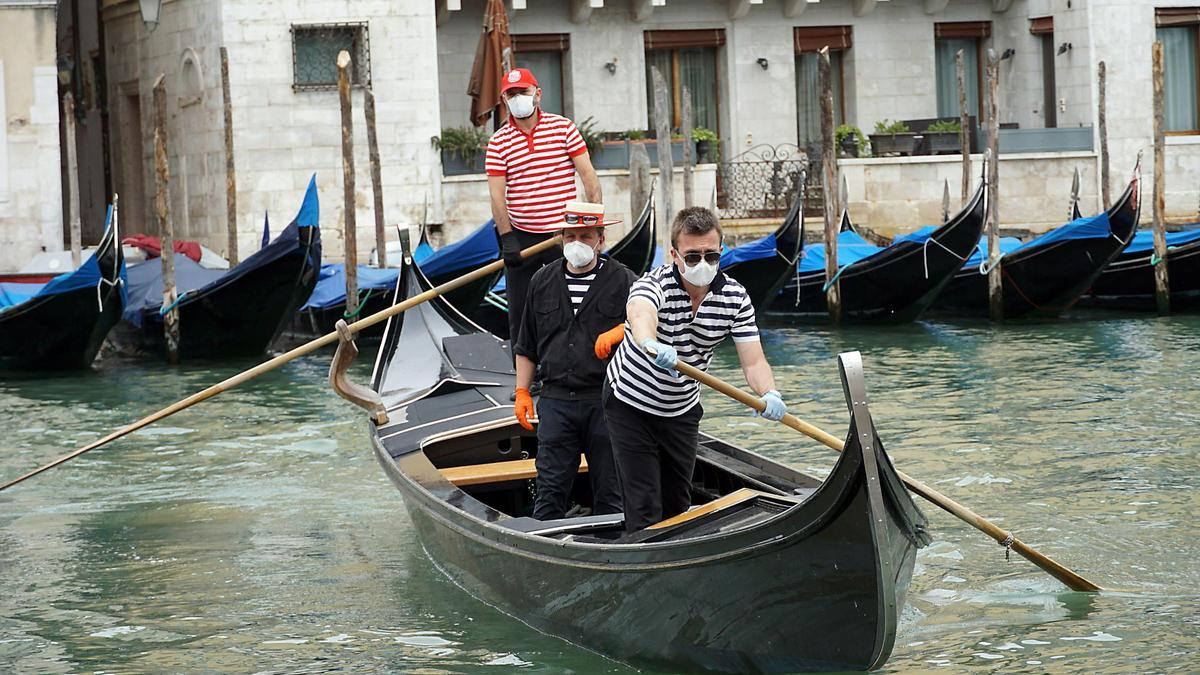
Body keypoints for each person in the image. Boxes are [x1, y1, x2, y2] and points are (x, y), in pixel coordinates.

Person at [601, 207, 788, 532]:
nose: (703, 264)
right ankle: (647, 570)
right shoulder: (653, 283)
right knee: (645, 506)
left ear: (721, 252)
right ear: (673, 254)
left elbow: (754, 361)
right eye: (692, 257)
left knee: (678, 506)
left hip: (682, 408)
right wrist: (650, 343)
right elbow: (642, 313)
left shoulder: (735, 297)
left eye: (711, 256)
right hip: (630, 404)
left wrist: (768, 392)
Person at [512, 202, 634, 521]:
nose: (577, 243)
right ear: (561, 238)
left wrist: (626, 328)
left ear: (600, 239)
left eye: (585, 235)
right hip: (555, 402)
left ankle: (617, 554)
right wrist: (522, 392)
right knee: (550, 491)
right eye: (570, 236)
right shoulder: (541, 281)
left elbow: (652, 323)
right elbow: (526, 344)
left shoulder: (624, 281)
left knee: (612, 492)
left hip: (608, 401)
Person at [485, 67, 602, 344]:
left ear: (537, 94)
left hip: (565, 235)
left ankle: (574, 366)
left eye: (522, 92)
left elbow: (589, 178)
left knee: (571, 305)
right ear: (504, 100)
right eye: (510, 94)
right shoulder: (498, 142)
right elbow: (496, 197)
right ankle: (525, 381)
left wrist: (594, 226)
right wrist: (507, 238)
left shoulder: (564, 128)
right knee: (522, 312)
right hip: (522, 237)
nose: (517, 98)